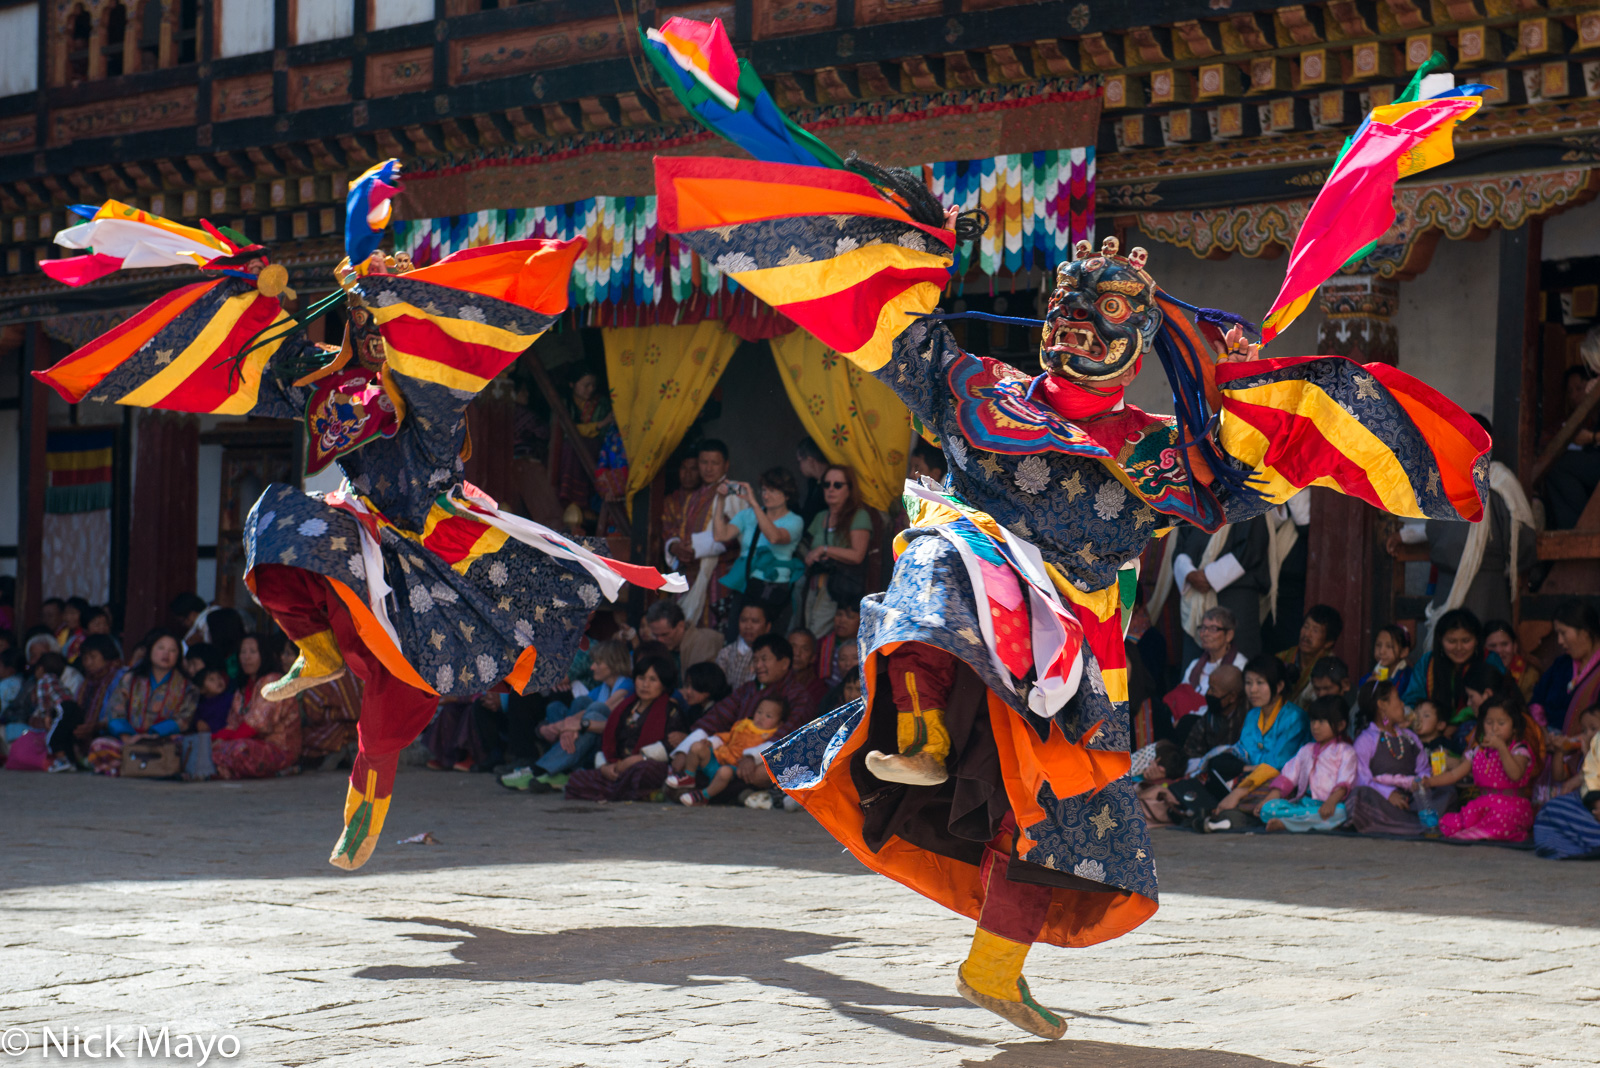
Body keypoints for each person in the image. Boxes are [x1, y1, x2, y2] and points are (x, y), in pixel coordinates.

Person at [656, 47, 1491, 1034]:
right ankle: (917, 727)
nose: (1076, 331)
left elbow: (1245, 487)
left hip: (1076, 645)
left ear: (1139, 341)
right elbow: (899, 330)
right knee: (944, 542)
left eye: (1103, 319)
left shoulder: (1159, 453)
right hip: (972, 606)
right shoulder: (975, 391)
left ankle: (995, 968)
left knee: (1062, 814)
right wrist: (917, 238)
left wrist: (1246, 396)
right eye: (1064, 313)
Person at [35, 164, 681, 866]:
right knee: (279, 522)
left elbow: (417, 356)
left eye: (384, 329)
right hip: (362, 531)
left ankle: (364, 813)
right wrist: (255, 290)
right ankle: (311, 648)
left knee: (394, 691)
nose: (375, 341)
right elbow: (278, 364)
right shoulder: (329, 384)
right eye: (366, 328)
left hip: (437, 548)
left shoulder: (431, 396)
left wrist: (367, 257)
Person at [669, 634, 821, 788]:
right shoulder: (747, 689)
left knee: (765, 771)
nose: (758, 666)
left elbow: (788, 736)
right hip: (732, 755)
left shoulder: (799, 696)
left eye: (764, 659)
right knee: (696, 754)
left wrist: (752, 756)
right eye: (755, 660)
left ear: (784, 663)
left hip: (768, 759)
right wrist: (684, 751)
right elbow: (717, 717)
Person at [502, 639, 635, 793]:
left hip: (605, 743)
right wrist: (563, 727)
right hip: (585, 737)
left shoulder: (627, 685)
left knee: (595, 709)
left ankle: (540, 769)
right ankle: (560, 769)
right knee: (560, 706)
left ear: (613, 664)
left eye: (598, 663)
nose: (592, 667)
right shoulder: (603, 688)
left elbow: (606, 711)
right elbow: (580, 712)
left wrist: (574, 726)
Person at [564, 653, 689, 803]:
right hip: (617, 767)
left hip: (643, 765)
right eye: (641, 678)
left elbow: (671, 745)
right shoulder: (624, 708)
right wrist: (604, 767)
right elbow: (607, 740)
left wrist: (637, 759)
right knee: (576, 779)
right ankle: (628, 792)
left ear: (664, 684)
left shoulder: (671, 710)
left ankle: (615, 791)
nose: (645, 685)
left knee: (644, 771)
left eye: (653, 680)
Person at [1207, 655, 1312, 829]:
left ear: (1279, 686)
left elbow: (1278, 764)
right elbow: (1245, 753)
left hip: (1280, 779)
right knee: (1215, 766)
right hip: (1252, 777)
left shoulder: (1294, 717)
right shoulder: (1253, 715)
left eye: (1260, 683)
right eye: (1248, 683)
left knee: (1275, 790)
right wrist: (1246, 771)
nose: (1252, 690)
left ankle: (1233, 812)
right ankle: (1235, 812)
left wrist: (1239, 792)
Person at [1426, 695, 1539, 842]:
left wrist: (1501, 747)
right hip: (1482, 807)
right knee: (1451, 824)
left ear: (1514, 728)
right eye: (1489, 722)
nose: (1494, 728)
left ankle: (1481, 833)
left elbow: (1515, 774)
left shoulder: (1519, 750)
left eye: (1501, 723)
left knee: (1497, 822)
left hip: (1511, 810)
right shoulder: (1478, 751)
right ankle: (1479, 832)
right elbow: (1455, 774)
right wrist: (1430, 782)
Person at [714, 467, 805, 637]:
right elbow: (721, 535)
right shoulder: (747, 515)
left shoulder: (795, 521)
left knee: (770, 639)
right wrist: (720, 500)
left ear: (787, 495)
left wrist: (754, 503)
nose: (766, 495)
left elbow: (774, 537)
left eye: (772, 491)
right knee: (736, 636)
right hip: (747, 584)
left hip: (775, 587)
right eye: (763, 490)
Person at [665, 439, 745, 630]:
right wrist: (675, 547)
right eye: (704, 462)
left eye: (715, 463)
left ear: (726, 465)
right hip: (690, 572)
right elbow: (678, 529)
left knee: (714, 629)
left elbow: (738, 532)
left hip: (720, 574)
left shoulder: (735, 491)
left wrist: (696, 548)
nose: (708, 468)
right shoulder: (694, 496)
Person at [91, 631, 197, 775]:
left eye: (172, 650)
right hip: (130, 739)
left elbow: (184, 719)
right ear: (150, 650)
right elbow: (115, 710)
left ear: (178, 656)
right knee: (99, 745)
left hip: (163, 741)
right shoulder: (130, 679)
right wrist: (126, 736)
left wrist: (154, 734)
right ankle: (144, 768)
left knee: (184, 746)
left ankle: (129, 768)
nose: (166, 654)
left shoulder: (187, 686)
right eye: (161, 648)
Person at [1343, 681, 1437, 836]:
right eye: (1398, 699)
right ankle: (1413, 826)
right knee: (1360, 794)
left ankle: (1404, 824)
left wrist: (1419, 784)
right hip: (1382, 802)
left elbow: (1424, 768)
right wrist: (1388, 794)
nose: (1402, 704)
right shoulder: (1366, 740)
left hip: (1412, 802)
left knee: (1447, 791)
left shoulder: (1410, 737)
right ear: (1382, 705)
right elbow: (1361, 778)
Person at [1173, 515, 1270, 662]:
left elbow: (1252, 548)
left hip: (1235, 596)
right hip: (1194, 594)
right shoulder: (1195, 498)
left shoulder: (1248, 498)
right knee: (1195, 666)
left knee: (1234, 667)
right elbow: (1180, 546)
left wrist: (1209, 576)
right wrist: (1189, 574)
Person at [1255, 696, 1358, 832]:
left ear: (1341, 725)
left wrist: (1331, 802)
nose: (1315, 726)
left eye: (1321, 721)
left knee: (1341, 812)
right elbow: (1288, 776)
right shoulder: (1306, 750)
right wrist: (1267, 800)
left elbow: (1345, 782)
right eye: (1313, 720)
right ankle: (1301, 823)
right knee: (1268, 809)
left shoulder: (1346, 751)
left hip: (1329, 805)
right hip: (1304, 805)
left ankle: (1287, 824)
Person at [210, 634, 299, 781]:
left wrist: (225, 742)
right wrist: (214, 739)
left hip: (279, 748)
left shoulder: (274, 681)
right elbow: (233, 724)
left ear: (263, 654)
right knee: (209, 747)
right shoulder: (242, 688)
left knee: (240, 750)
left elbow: (258, 724)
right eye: (243, 652)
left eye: (252, 652)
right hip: (246, 742)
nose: (246, 657)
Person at [800, 464, 874, 638]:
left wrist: (824, 550)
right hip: (814, 585)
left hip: (839, 589)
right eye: (827, 484)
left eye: (837, 485)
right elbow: (808, 549)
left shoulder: (859, 516)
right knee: (808, 633)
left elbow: (857, 555)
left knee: (821, 636)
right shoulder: (820, 517)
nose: (831, 489)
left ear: (849, 489)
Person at [676, 695, 786, 806]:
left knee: (725, 772)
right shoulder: (743, 725)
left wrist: (751, 757)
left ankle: (703, 796)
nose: (761, 718)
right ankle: (688, 777)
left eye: (768, 716)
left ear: (780, 723)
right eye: (759, 712)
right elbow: (728, 736)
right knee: (696, 746)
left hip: (733, 766)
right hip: (718, 758)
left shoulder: (771, 736)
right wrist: (712, 742)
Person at [1402, 608, 1503, 723]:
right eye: (1451, 641)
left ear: (1476, 640)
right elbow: (1411, 702)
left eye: (1466, 640)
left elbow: (1501, 700)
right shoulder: (1427, 663)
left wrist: (1460, 720)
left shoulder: (1490, 660)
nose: (1459, 648)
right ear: (1440, 640)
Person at [1529, 601, 1600, 733]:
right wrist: (1543, 733)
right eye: (1558, 634)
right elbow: (1537, 699)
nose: (1560, 641)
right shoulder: (1562, 664)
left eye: (1563, 633)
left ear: (1585, 632)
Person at [1172, 607, 1248, 722]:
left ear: (1229, 635)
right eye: (1203, 628)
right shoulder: (1195, 665)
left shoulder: (1239, 665)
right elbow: (1181, 696)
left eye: (1213, 629)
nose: (1205, 634)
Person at [1533, 728, 1600, 859]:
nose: (1589, 733)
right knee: (1552, 809)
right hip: (1593, 804)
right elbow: (1592, 775)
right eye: (1586, 730)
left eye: (1593, 728)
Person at [1180, 663, 1247, 768]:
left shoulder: (1247, 718)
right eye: (1209, 687)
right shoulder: (1211, 715)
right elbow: (1191, 750)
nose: (1208, 693)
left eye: (1213, 690)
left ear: (1232, 696)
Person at [1277, 605, 1342, 708]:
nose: (1307, 635)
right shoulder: (1283, 657)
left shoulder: (1331, 668)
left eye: (1315, 631)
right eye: (1306, 627)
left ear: (1328, 643)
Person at [642, 600, 724, 676]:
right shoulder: (659, 647)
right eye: (656, 635)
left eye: (665, 634)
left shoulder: (703, 642)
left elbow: (701, 686)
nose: (660, 640)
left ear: (681, 626)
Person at [1355, 624, 1412, 711]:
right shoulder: (1372, 675)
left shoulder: (1408, 676)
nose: (1381, 651)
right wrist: (1368, 686)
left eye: (1389, 646)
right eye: (1378, 645)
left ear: (1404, 652)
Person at [716, 602, 771, 691]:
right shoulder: (726, 653)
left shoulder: (773, 657)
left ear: (767, 627)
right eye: (743, 620)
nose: (748, 626)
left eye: (755, 621)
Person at [1482, 618, 1536, 701]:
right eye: (1492, 646)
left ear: (1515, 646)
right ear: (1484, 648)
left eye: (1504, 644)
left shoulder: (1529, 675)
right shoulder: (1477, 673)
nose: (1499, 651)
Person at [815, 603, 862, 687]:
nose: (842, 621)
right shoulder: (822, 645)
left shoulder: (868, 647)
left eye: (850, 616)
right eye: (839, 614)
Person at [795, 438, 829, 528]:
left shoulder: (832, 484)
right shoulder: (813, 483)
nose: (799, 466)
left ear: (810, 461)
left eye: (800, 461)